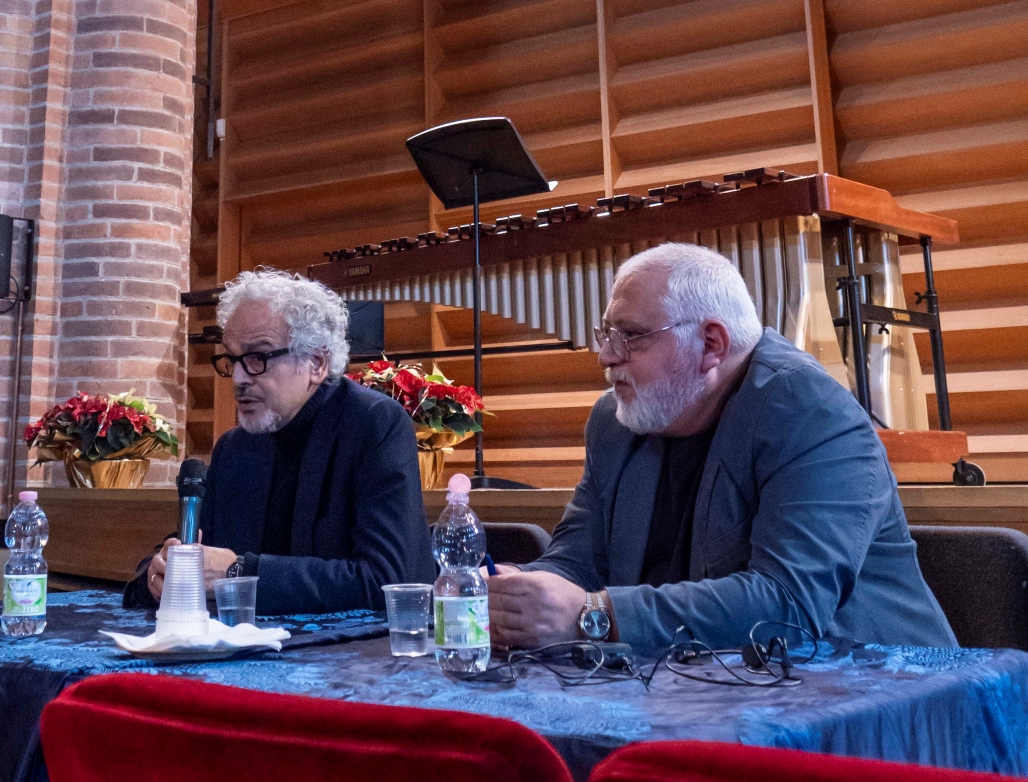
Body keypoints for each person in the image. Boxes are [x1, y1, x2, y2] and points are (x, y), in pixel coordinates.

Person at [488, 242, 955, 655]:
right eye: (606, 335)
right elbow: (577, 563)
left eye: (630, 336)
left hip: (883, 696)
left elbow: (786, 605)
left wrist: (598, 614)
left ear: (711, 343)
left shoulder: (811, 411)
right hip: (706, 693)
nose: (607, 356)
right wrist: (517, 593)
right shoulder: (615, 424)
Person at [125, 268, 435, 616]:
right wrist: (157, 573)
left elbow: (387, 583)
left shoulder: (374, 424)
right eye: (232, 358)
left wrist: (238, 572)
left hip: (352, 662)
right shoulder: (234, 449)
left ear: (316, 363)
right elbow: (195, 552)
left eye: (258, 357)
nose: (239, 378)